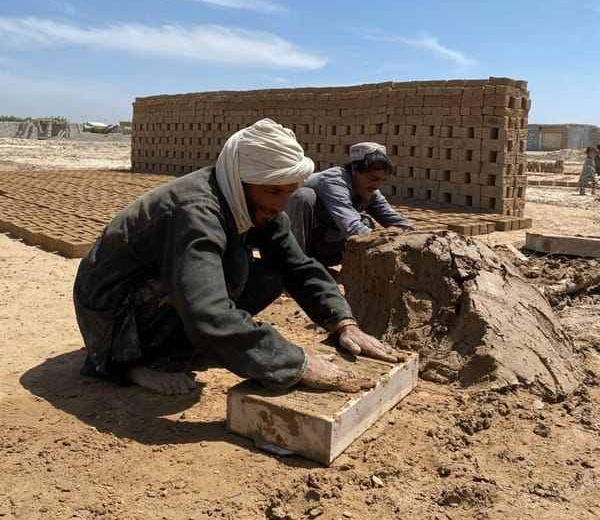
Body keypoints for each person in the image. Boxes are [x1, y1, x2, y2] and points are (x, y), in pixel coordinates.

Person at [73, 118, 397, 396]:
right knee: (232, 270)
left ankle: (185, 348)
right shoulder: (197, 211)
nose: (282, 204)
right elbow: (207, 311)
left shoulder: (255, 202)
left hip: (155, 292)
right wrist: (297, 363)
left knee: (267, 277)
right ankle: (130, 364)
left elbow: (298, 266)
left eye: (289, 191)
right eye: (273, 191)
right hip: (112, 307)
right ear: (239, 181)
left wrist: (343, 323)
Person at [286, 141, 412, 266]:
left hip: (325, 244)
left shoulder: (370, 190)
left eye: (383, 180)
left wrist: (414, 236)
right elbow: (351, 227)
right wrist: (383, 239)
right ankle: (294, 264)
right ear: (355, 169)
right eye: (374, 179)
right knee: (304, 196)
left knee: (365, 223)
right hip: (306, 241)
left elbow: (395, 220)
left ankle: (332, 263)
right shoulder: (334, 181)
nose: (378, 185)